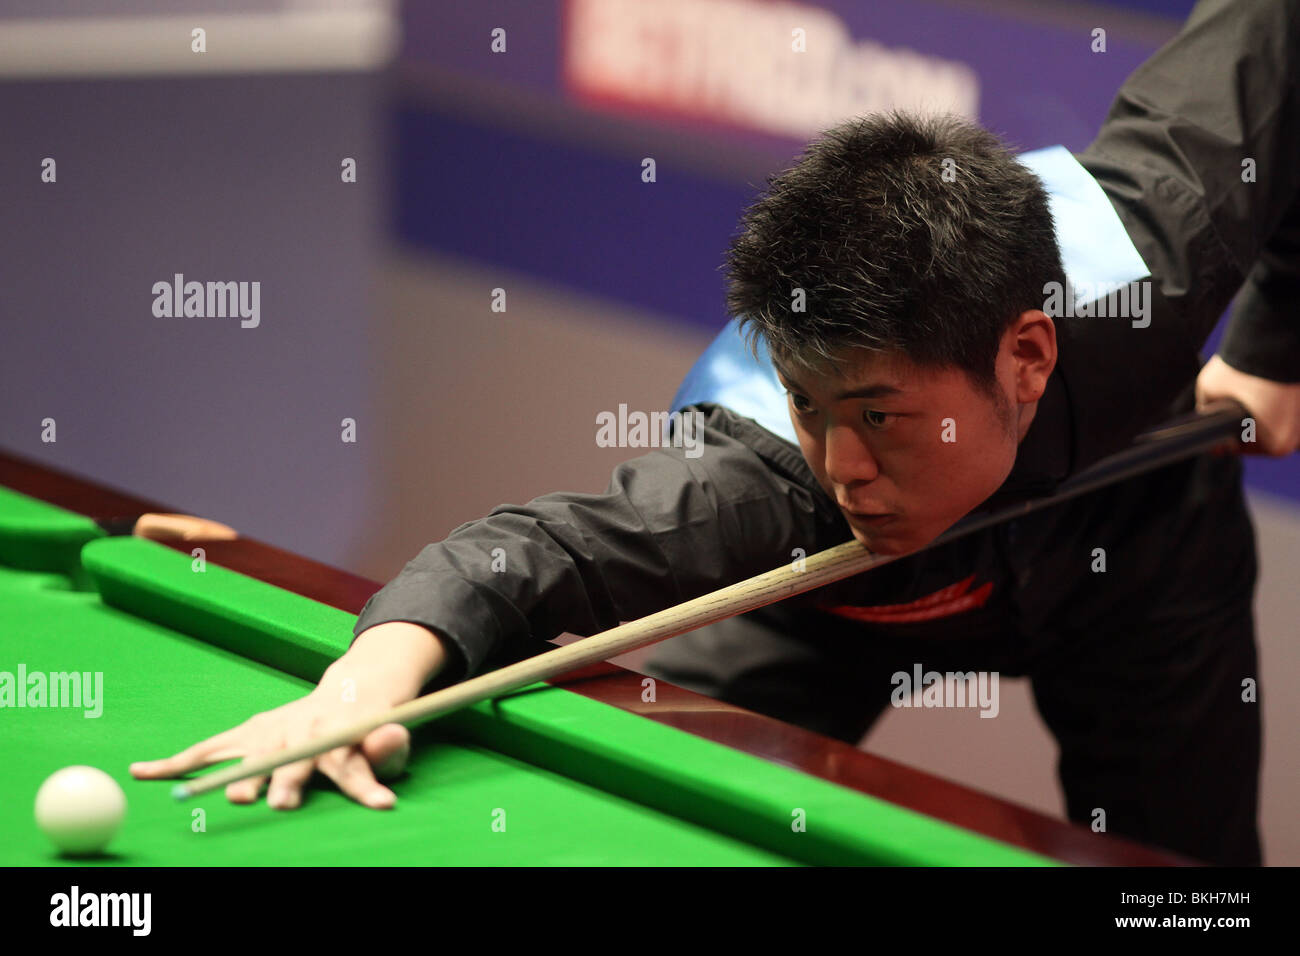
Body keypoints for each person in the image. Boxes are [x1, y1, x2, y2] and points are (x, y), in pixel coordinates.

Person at [132, 0, 1300, 866]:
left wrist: (1273, 340)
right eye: (815, 408)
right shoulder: (774, 482)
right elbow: (538, 553)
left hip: (1129, 546)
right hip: (820, 604)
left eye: (883, 416)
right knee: (665, 822)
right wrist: (365, 679)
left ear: (1029, 355)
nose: (847, 464)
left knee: (1182, 885)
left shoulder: (1158, 246)